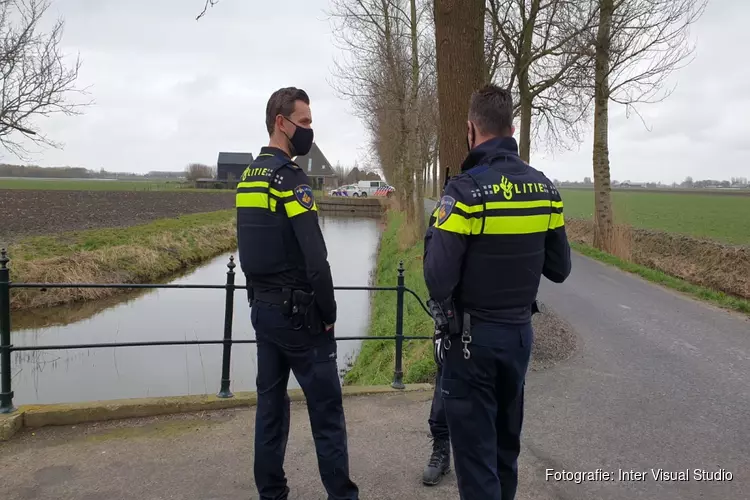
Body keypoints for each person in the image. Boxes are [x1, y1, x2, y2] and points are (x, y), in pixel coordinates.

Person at [423, 84, 572, 500]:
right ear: (511, 128)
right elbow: (560, 269)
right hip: (520, 338)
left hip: (472, 344)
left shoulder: (465, 192)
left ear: (471, 129)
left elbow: (438, 280)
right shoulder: (545, 190)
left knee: (475, 461)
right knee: (506, 452)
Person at [237, 86, 359, 500]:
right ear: (281, 122)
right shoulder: (291, 180)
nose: (309, 131)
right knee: (327, 414)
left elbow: (251, 250)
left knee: (270, 410)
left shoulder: (248, 178)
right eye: (304, 122)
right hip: (301, 316)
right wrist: (329, 311)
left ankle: (272, 494)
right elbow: (315, 257)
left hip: (264, 312)